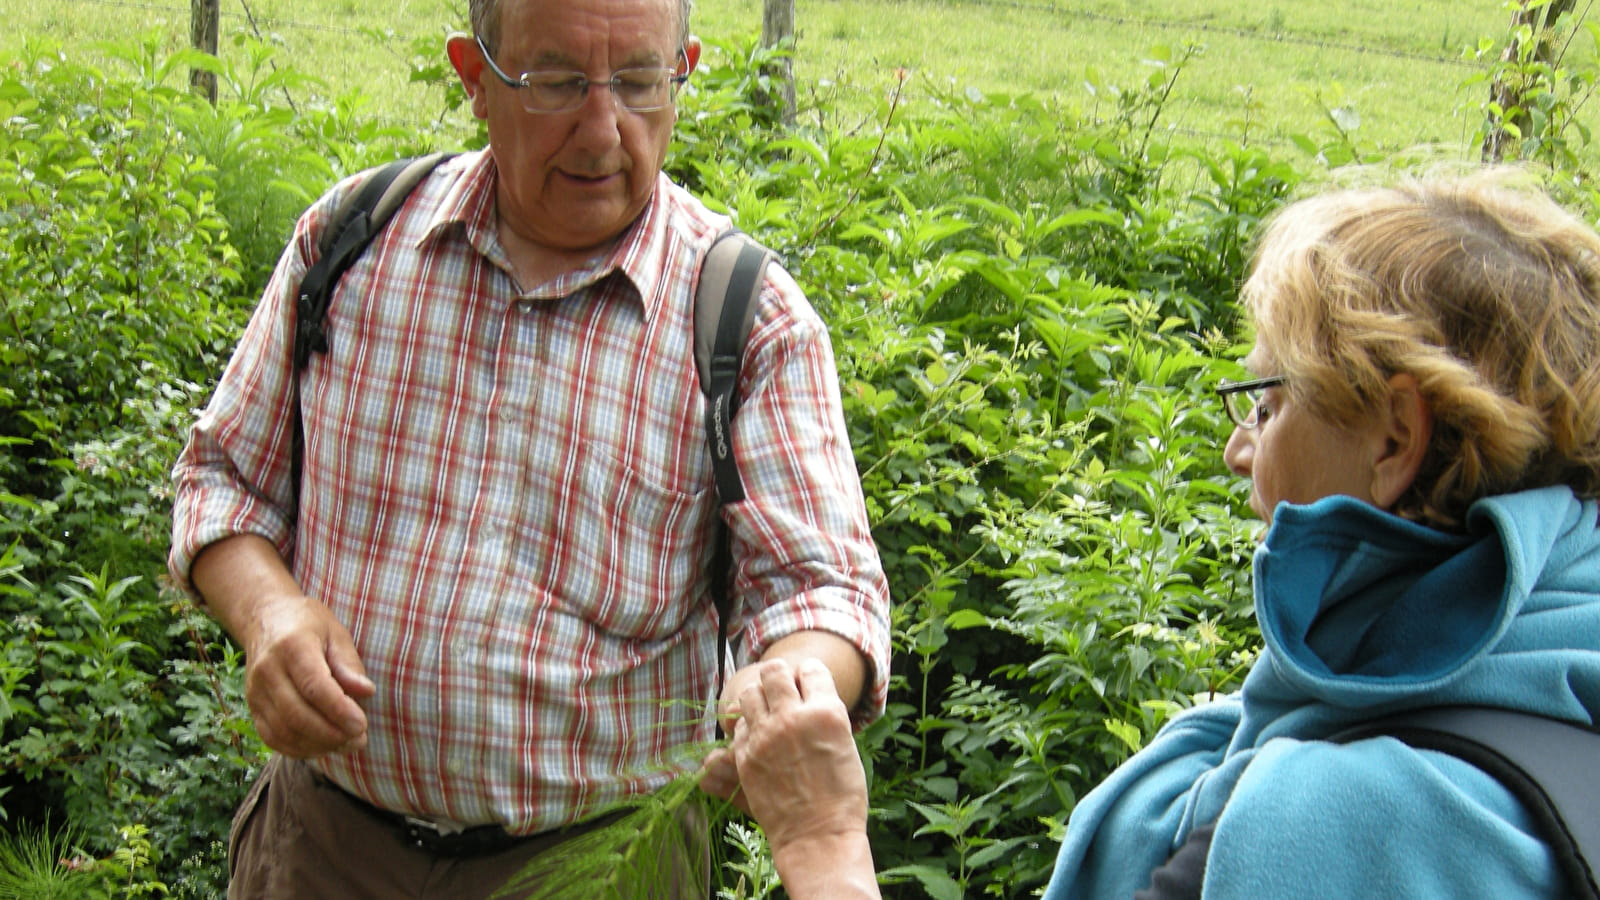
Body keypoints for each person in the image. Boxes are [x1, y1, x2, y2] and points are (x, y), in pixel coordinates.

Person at [710, 169, 1600, 899]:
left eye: (1270, 400)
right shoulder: (1559, 704)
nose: (1237, 449)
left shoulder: (1335, 838)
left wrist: (823, 843)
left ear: (1395, 438)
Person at [167, 0, 891, 895]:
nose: (602, 129)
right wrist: (268, 613)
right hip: (326, 850)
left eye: (638, 81)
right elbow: (223, 477)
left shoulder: (745, 317)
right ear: (475, 77)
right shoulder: (355, 242)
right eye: (556, 83)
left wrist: (785, 681)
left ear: (684, 68)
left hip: (603, 868)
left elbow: (823, 590)